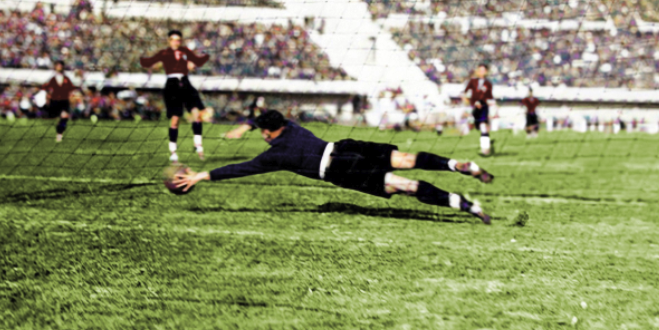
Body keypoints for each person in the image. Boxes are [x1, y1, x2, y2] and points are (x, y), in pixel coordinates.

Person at [174, 110, 495, 224]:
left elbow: (241, 169)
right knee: (408, 159)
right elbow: (270, 115)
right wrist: (247, 125)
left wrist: (202, 175)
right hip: (345, 146)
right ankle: (456, 164)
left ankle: (464, 204)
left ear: (270, 133)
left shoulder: (274, 155)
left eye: (263, 133)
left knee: (404, 185)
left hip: (341, 169)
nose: (264, 136)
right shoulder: (292, 127)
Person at [140, 29, 211, 162]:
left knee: (197, 114)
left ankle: (198, 145)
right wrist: (141, 57)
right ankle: (173, 151)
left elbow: (198, 61)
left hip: (185, 82)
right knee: (175, 119)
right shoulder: (164, 53)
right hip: (172, 85)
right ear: (169, 41)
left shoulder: (185, 51)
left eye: (178, 40)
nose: (175, 42)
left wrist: (206, 53)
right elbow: (149, 62)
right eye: (173, 39)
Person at [36, 61, 82, 142]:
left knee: (64, 117)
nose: (59, 67)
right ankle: (58, 129)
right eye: (57, 66)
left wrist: (76, 91)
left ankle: (59, 135)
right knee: (56, 118)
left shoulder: (66, 78)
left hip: (64, 101)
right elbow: (46, 87)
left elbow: (71, 88)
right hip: (55, 101)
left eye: (60, 66)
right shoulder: (52, 79)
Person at [463, 63, 496, 156]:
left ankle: (485, 150)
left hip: (483, 107)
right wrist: (469, 102)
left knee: (483, 127)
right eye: (479, 70)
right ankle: (487, 141)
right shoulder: (472, 82)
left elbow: (490, 97)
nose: (480, 72)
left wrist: (492, 107)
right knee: (477, 127)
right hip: (474, 108)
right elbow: (465, 93)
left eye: (483, 70)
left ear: (486, 72)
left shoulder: (488, 84)